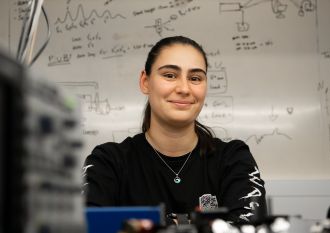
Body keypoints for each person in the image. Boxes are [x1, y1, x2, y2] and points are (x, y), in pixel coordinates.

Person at [83, 36, 266, 224]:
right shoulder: (107, 163)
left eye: (195, 78)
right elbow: (89, 226)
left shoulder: (235, 160)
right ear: (145, 82)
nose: (184, 88)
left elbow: (249, 227)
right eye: (170, 75)